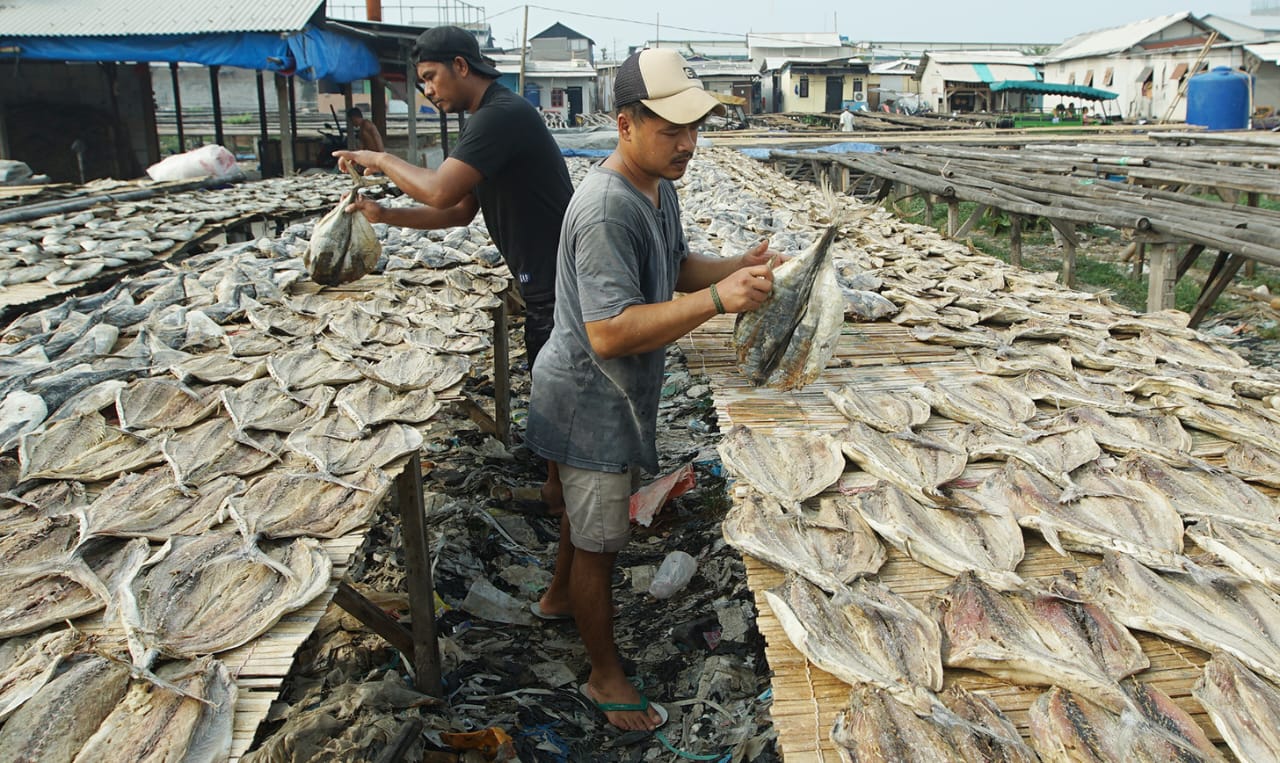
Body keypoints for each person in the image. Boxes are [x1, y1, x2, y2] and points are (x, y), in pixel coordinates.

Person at [524, 48, 779, 732]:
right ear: (625, 123)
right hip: (588, 400)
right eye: (672, 128)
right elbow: (611, 330)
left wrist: (739, 269)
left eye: (695, 127)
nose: (689, 143)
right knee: (600, 542)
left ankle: (554, 599)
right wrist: (721, 301)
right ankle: (604, 674)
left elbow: (674, 265)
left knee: (584, 523)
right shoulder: (608, 206)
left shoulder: (656, 187)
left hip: (606, 393)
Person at [333, 25, 573, 513]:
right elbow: (461, 209)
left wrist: (380, 158)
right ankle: (559, 492)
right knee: (550, 382)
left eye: (430, 77)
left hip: (556, 277)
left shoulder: (499, 116)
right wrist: (388, 216)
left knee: (559, 387)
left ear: (461, 66)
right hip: (543, 274)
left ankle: (568, 500)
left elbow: (441, 190)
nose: (427, 90)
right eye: (421, 82)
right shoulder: (488, 119)